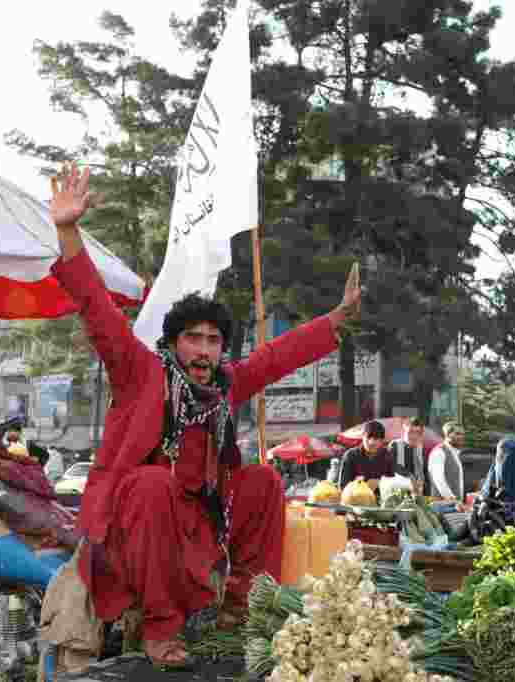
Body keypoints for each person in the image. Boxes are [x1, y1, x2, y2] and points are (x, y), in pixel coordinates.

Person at [47, 164, 361, 668]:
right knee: (153, 483)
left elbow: (275, 356)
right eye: (194, 338)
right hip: (139, 519)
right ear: (173, 344)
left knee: (261, 480)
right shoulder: (141, 372)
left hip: (202, 517)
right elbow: (97, 310)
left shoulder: (224, 386)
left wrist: (333, 321)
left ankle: (242, 610)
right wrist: (67, 231)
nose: (204, 349)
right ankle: (159, 630)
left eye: (213, 341)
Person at [337, 420, 393, 494]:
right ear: (362, 436)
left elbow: (395, 483)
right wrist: (360, 485)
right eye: (368, 438)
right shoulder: (351, 455)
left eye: (375, 439)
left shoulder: (388, 456)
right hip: (355, 500)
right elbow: (342, 487)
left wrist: (380, 482)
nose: (371, 442)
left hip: (381, 502)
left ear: (382, 440)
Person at [428, 421, 465, 508]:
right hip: (443, 507)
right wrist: (453, 500)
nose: (461, 437)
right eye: (457, 434)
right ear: (447, 435)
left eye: (463, 434)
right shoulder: (439, 452)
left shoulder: (454, 452)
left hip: (454, 506)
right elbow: (439, 481)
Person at [388, 417, 427, 494]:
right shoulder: (395, 444)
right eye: (411, 432)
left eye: (418, 433)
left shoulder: (420, 448)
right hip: (397, 491)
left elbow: (424, 471)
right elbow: (393, 466)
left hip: (417, 492)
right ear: (404, 430)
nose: (414, 436)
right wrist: (410, 476)